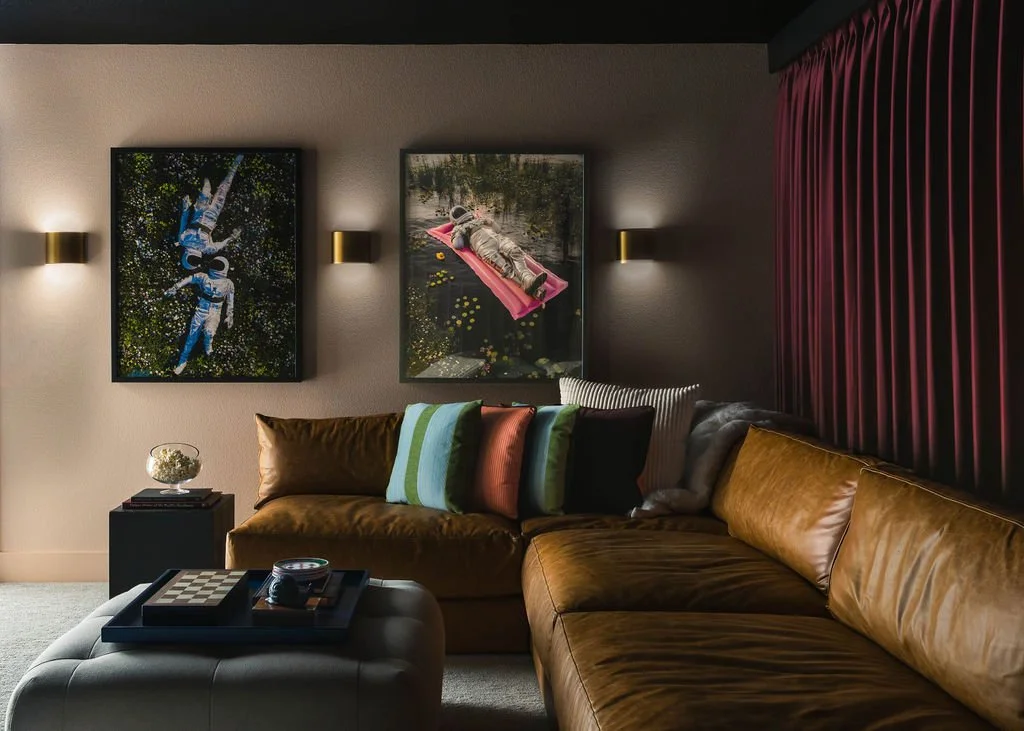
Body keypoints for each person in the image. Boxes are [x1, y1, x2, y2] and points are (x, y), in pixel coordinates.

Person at [448, 205, 547, 299]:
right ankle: (531, 288)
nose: (461, 214)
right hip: (484, 246)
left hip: (497, 238)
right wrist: (461, 232)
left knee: (515, 251)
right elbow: (458, 245)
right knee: (504, 267)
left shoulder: (478, 220)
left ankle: (528, 279)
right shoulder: (458, 229)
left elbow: (497, 229)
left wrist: (489, 221)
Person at [164, 256, 235, 375]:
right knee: (191, 337)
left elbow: (230, 302)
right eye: (216, 265)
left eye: (218, 265)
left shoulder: (228, 284)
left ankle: (208, 345)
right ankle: (182, 361)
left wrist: (229, 315)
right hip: (201, 309)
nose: (217, 267)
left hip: (215, 312)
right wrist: (175, 287)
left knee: (209, 332)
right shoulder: (204, 277)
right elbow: (189, 279)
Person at [177, 154, 244, 270]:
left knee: (206, 187)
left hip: (199, 212)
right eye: (195, 261)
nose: (194, 259)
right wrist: (232, 237)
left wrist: (185, 208)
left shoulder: (183, 240)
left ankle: (208, 165)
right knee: (224, 188)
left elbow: (183, 221)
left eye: (191, 260)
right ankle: (236, 162)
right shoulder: (207, 249)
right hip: (212, 217)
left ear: (185, 257)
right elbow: (221, 245)